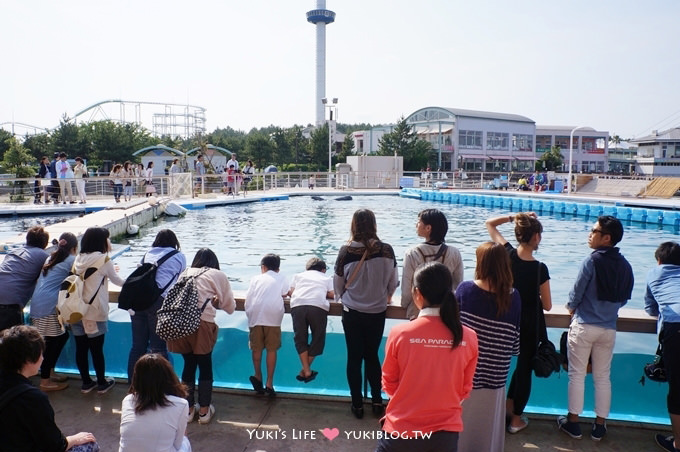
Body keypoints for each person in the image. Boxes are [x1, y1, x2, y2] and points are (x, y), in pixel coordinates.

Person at [376, 262, 478, 452]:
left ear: (417, 294)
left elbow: (389, 383)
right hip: (445, 436)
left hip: (400, 432)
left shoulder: (400, 333)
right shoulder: (469, 337)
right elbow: (465, 389)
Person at [558, 215, 634, 441]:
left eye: (594, 231)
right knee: (602, 378)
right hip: (609, 328)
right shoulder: (625, 265)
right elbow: (625, 298)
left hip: (584, 325)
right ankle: (599, 426)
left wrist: (571, 307)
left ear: (606, 238)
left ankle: (573, 423)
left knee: (577, 376)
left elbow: (576, 293)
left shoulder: (591, 261)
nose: (589, 234)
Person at [485, 212, 552, 433]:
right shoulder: (540, 268)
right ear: (537, 238)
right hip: (529, 325)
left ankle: (503, 408)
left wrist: (513, 216)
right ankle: (515, 420)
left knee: (499, 367)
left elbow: (490, 224)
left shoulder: (507, 255)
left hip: (505, 320)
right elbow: (549, 306)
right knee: (524, 370)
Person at [456, 241, 521, 452]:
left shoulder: (465, 290)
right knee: (488, 433)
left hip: (466, 374)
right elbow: (515, 345)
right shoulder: (514, 297)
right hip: (497, 375)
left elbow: (454, 334)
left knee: (461, 430)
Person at [334, 209, 398, 419]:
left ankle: (357, 404)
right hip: (377, 311)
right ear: (374, 224)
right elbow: (393, 282)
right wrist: (386, 296)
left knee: (354, 357)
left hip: (352, 312)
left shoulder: (346, 251)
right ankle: (377, 401)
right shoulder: (387, 250)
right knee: (372, 356)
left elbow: (338, 286)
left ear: (354, 225)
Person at [0, 325, 99, 452]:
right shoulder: (33, 398)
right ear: (28, 360)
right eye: (41, 354)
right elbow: (55, 446)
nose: (43, 358)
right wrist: (74, 439)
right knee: (90, 445)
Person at [167, 248, 235, 425]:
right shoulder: (217, 274)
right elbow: (230, 307)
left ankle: (188, 411)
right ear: (214, 262)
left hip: (179, 324)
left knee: (189, 364)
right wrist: (216, 302)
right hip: (202, 323)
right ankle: (204, 412)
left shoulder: (185, 272)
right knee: (205, 365)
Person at [126, 229, 186, 381]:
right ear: (174, 242)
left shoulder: (147, 254)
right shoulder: (179, 256)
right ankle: (162, 388)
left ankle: (133, 387)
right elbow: (180, 280)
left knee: (137, 347)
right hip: (159, 302)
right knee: (158, 348)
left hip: (138, 301)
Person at [71, 227, 125, 394]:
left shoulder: (78, 258)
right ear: (101, 241)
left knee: (81, 348)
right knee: (96, 349)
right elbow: (119, 282)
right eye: (107, 239)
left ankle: (86, 383)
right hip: (93, 312)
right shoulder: (103, 259)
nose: (109, 242)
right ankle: (101, 382)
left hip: (75, 311)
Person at [29, 232, 79, 392]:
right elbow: (81, 278)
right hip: (50, 306)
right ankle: (45, 381)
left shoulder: (50, 257)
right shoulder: (71, 260)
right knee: (52, 342)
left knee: (58, 337)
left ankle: (48, 372)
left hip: (37, 304)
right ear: (74, 247)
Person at [644, 242, 680, 452]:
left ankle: (678, 443)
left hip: (675, 329)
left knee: (677, 391)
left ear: (659, 260)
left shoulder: (654, 273)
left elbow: (650, 307)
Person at [119, 354, 192, 452]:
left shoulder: (127, 400)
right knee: (184, 440)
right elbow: (178, 444)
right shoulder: (181, 404)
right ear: (168, 376)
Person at [401, 209, 464, 320]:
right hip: (446, 312)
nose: (416, 224)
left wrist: (404, 305)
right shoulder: (454, 253)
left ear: (428, 228)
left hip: (418, 312)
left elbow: (406, 289)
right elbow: (458, 284)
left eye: (419, 222)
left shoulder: (412, 253)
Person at [245, 254, 289, 397]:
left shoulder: (255, 278)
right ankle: (269, 383)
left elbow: (249, 297)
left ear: (263, 267)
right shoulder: (281, 277)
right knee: (271, 349)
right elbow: (285, 293)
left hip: (255, 315)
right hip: (273, 316)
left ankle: (258, 375)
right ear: (278, 268)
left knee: (257, 349)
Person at [288, 257, 334, 383]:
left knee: (300, 337)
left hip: (298, 305)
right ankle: (305, 370)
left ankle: (306, 370)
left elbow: (291, 292)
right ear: (323, 270)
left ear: (307, 268)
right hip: (317, 306)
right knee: (318, 338)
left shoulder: (298, 276)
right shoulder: (326, 278)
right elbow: (333, 294)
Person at [0, 226, 49, 331]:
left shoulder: (13, 253)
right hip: (10, 304)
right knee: (14, 342)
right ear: (45, 243)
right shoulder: (43, 256)